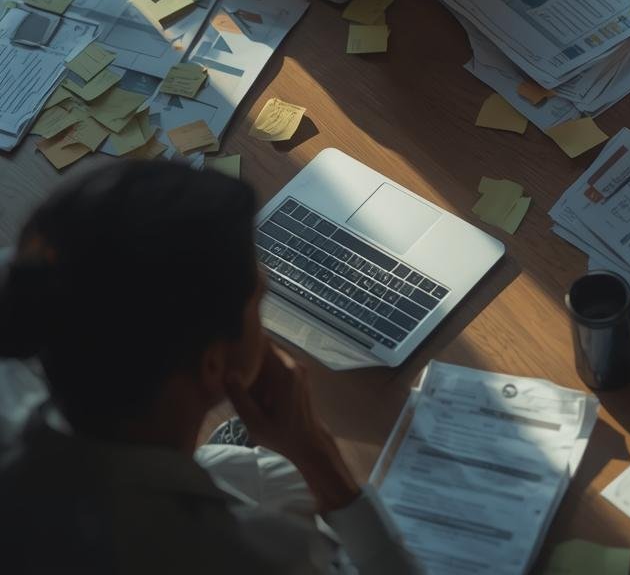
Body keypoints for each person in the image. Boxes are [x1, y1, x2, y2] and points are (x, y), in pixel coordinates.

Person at [0, 161, 420, 574]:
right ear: (214, 364)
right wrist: (323, 463)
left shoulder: (18, 397)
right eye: (258, 300)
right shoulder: (251, 554)